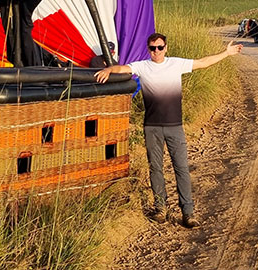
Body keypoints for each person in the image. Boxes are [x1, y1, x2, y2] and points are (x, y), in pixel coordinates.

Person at [94, 33, 241, 228]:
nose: (156, 52)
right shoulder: (142, 66)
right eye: (153, 48)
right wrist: (109, 70)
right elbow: (123, 68)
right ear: (148, 49)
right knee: (156, 168)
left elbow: (203, 63)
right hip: (152, 127)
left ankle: (188, 213)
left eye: (160, 47)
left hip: (175, 127)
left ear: (166, 48)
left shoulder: (176, 64)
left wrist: (226, 53)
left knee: (181, 169)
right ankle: (160, 209)